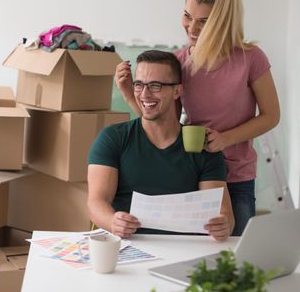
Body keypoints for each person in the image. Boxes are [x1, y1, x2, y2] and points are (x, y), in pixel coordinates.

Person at [114, 0, 280, 236]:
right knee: (191, 254)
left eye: (203, 21)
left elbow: (271, 115)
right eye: (187, 16)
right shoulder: (179, 63)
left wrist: (226, 139)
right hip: (191, 174)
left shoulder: (251, 58)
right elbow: (163, 121)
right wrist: (128, 94)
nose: (191, 27)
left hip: (236, 175)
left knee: (232, 256)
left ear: (222, 22)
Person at [87, 50, 234, 241]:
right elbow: (96, 202)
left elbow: (224, 213)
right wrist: (113, 221)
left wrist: (224, 224)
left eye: (155, 86)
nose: (145, 94)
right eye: (139, 84)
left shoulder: (201, 146)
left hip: (184, 250)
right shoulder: (113, 138)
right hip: (127, 247)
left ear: (177, 91)